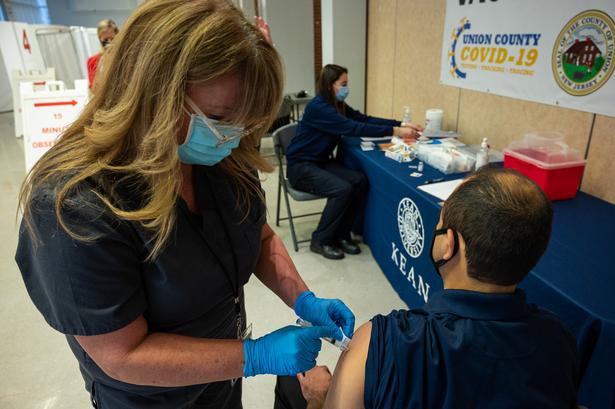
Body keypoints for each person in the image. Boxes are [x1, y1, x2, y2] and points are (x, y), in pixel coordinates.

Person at [15, 2, 355, 408]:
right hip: (151, 396)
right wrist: (255, 356)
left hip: (222, 373)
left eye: (245, 123)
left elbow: (258, 235)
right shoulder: (74, 206)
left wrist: (303, 299)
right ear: (152, 95)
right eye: (219, 117)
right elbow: (122, 355)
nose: (232, 137)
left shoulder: (219, 158)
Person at [277, 167, 580, 409]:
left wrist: (319, 398)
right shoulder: (559, 340)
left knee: (292, 381)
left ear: (449, 244)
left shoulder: (381, 342)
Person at [285, 64, 424, 260]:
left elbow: (363, 118)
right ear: (330, 85)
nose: (346, 88)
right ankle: (321, 240)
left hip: (320, 161)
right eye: (343, 84)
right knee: (342, 189)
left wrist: (400, 124)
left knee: (359, 181)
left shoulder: (337, 105)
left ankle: (342, 235)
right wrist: (396, 132)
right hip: (301, 167)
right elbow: (353, 127)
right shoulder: (319, 107)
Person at [87, 19, 119, 90]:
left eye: (112, 38)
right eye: (106, 39)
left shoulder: (124, 58)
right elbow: (93, 88)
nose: (109, 42)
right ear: (100, 38)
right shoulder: (92, 61)